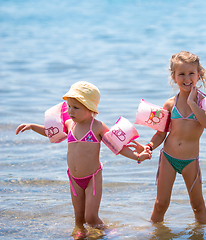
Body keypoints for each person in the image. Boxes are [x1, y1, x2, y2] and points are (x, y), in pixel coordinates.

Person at [15, 81, 151, 237]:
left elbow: (117, 146)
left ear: (90, 109)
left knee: (91, 217)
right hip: (74, 179)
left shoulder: (97, 127)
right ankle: (80, 232)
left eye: (76, 107)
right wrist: (32, 126)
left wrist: (137, 157)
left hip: (92, 178)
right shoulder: (69, 124)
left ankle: (106, 232)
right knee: (79, 218)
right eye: (69, 107)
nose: (71, 111)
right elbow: (51, 132)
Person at [143, 51, 206, 224]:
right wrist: (150, 146)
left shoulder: (205, 103)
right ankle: (154, 234)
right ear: (174, 77)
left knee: (197, 204)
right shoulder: (169, 104)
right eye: (181, 74)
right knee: (161, 204)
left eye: (191, 73)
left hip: (190, 161)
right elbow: (161, 133)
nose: (187, 78)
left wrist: (192, 103)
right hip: (168, 157)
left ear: (199, 75)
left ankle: (201, 235)